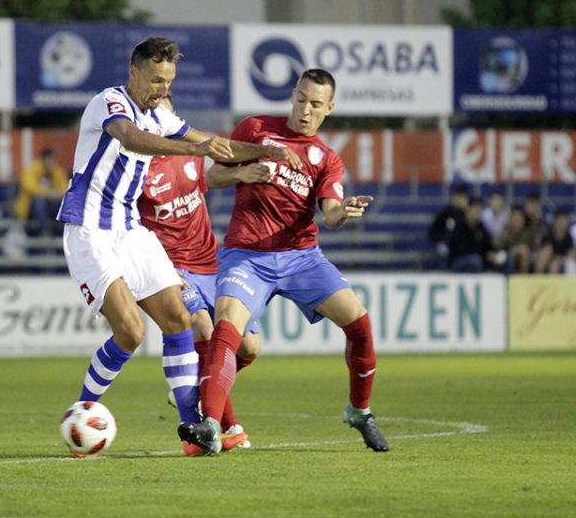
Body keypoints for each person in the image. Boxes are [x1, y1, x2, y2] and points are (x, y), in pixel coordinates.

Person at [56, 37, 299, 451]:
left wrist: (266, 150)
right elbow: (131, 139)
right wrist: (193, 146)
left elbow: (217, 145)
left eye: (167, 82)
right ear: (133, 73)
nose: (162, 90)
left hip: (130, 229)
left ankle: (193, 429)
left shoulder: (160, 116)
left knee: (177, 320)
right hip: (89, 229)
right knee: (130, 333)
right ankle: (84, 408)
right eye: (155, 80)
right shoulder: (108, 103)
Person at [178, 68, 390, 454]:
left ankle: (360, 411)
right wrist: (244, 172)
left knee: (359, 322)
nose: (305, 110)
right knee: (228, 327)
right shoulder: (254, 128)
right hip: (246, 255)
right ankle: (209, 425)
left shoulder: (327, 159)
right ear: (293, 94)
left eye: (315, 104)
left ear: (329, 108)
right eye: (300, 99)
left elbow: (328, 215)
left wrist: (343, 211)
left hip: (300, 257)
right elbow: (212, 175)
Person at [137, 94, 261, 455]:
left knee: (249, 346)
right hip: (171, 268)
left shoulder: (191, 152)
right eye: (152, 110)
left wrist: (243, 172)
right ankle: (226, 426)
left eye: (167, 109)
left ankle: (194, 388)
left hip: (213, 263)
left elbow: (212, 179)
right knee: (204, 328)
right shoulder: (137, 167)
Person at [14, 147, 68, 235]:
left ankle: (62, 229)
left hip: (51, 205)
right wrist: (48, 193)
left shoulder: (56, 171)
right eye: (49, 159)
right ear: (43, 159)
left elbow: (65, 187)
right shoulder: (31, 170)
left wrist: (57, 193)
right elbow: (29, 187)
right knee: (39, 200)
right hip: (30, 208)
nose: (51, 162)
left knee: (63, 200)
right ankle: (44, 231)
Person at [428, 183, 469, 269]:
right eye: (458, 196)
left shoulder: (469, 216)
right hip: (448, 250)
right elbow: (432, 232)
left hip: (464, 251)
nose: (460, 200)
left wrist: (467, 212)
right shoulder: (446, 213)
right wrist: (441, 241)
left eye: (462, 197)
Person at [535, 209, 576, 274]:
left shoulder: (569, 237)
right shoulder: (548, 235)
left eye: (565, 220)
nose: (563, 223)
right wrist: (559, 259)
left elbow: (572, 253)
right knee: (553, 264)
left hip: (563, 262)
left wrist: (565, 259)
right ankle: (537, 278)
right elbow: (545, 254)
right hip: (548, 262)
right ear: (555, 221)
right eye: (561, 220)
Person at [493, 206, 530, 273]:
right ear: (510, 219)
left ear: (523, 220)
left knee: (524, 251)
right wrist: (515, 251)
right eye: (515, 216)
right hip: (506, 259)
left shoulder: (526, 234)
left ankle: (525, 279)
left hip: (521, 260)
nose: (517, 219)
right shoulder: (504, 233)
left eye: (520, 217)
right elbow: (496, 250)